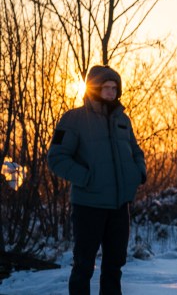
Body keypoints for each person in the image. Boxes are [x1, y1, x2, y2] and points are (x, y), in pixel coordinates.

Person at [47, 64, 147, 295]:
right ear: (94, 89)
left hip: (120, 207)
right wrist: (86, 178)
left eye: (115, 88)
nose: (112, 92)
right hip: (88, 206)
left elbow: (137, 152)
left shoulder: (123, 120)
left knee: (114, 266)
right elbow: (56, 158)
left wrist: (138, 173)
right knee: (83, 266)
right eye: (106, 87)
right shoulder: (74, 119)